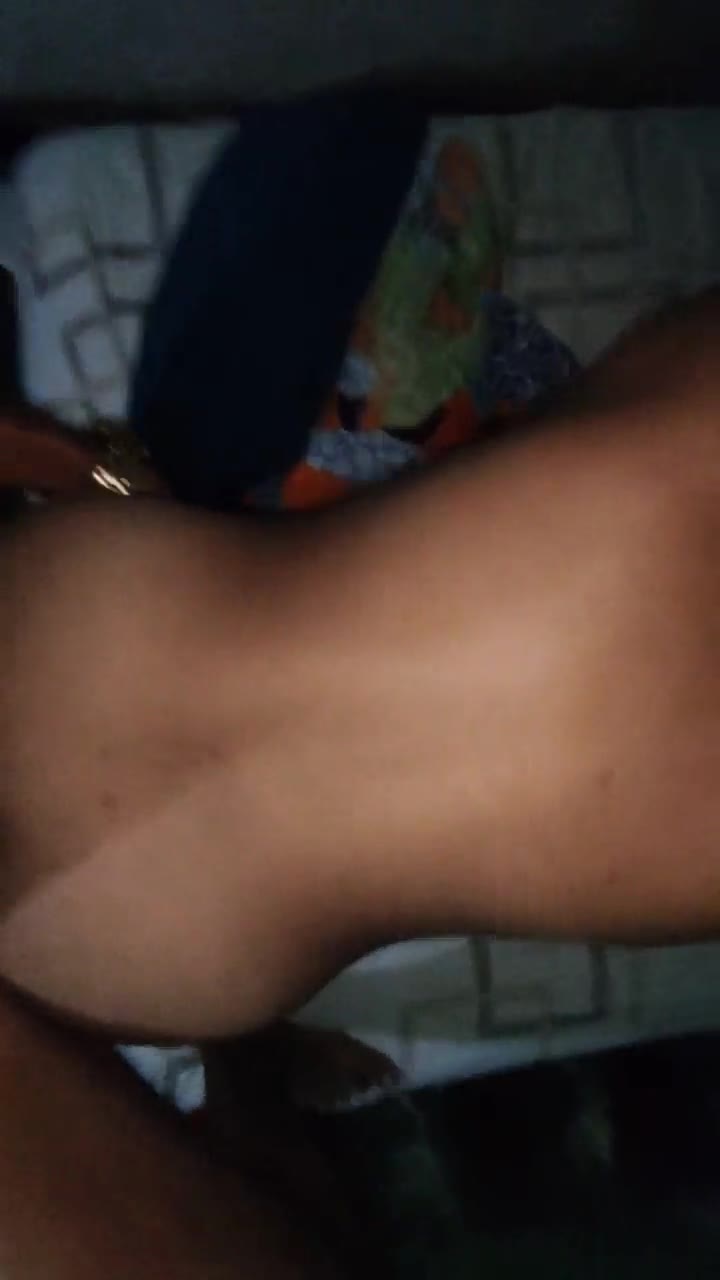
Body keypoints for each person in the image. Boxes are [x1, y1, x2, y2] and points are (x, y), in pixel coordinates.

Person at [1, 286, 720, 1275]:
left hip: (142, 946)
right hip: (148, 929)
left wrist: (101, 470)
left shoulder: (83, 996)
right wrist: (99, 470)